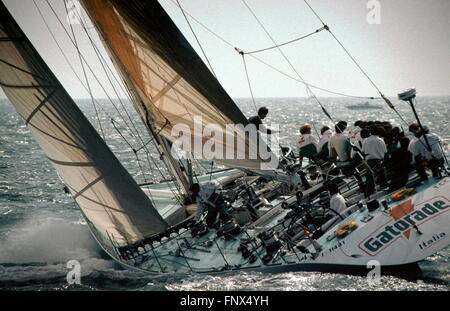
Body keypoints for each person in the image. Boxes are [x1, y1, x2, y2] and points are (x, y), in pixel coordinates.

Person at [362, 125, 388, 197]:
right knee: (382, 179)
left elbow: (363, 152)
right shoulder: (380, 140)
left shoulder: (365, 140)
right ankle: (385, 192)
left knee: (370, 181)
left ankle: (368, 196)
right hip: (379, 162)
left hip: (369, 162)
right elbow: (385, 153)